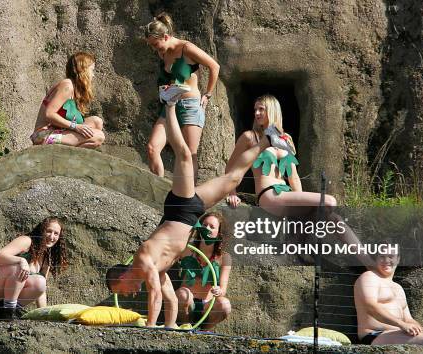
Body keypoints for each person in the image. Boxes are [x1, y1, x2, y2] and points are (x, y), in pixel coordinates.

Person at [107, 86, 273, 328]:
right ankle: (267, 140)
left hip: (178, 209)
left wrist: (150, 329)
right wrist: (169, 327)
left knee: (185, 155)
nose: (128, 295)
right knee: (233, 180)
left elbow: (154, 296)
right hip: (191, 212)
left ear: (121, 277)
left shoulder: (143, 259)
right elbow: (170, 300)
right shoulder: (158, 269)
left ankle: (170, 104)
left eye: (120, 291)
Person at [225, 94, 373, 267]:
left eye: (261, 109)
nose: (257, 113)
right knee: (329, 201)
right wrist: (232, 193)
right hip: (269, 195)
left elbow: (293, 177)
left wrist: (302, 206)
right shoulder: (250, 137)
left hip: (287, 194)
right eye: (255, 110)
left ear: (272, 111)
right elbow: (231, 167)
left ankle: (367, 263)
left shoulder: (285, 139)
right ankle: (297, 246)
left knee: (334, 218)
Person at [145, 13, 220, 181]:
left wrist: (207, 94)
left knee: (188, 155)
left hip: (190, 106)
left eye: (156, 45)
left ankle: (187, 198)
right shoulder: (162, 53)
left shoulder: (186, 48)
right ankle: (158, 190)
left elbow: (214, 66)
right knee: (152, 147)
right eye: (151, 46)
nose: (154, 49)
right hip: (169, 106)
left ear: (165, 37)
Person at [354, 249, 423, 347]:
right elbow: (371, 307)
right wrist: (401, 324)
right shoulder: (369, 277)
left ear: (398, 259)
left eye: (390, 257)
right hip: (375, 335)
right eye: (382, 257)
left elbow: (408, 319)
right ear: (376, 259)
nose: (386, 260)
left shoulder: (398, 288)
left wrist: (421, 329)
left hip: (399, 333)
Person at [0, 217, 68, 319]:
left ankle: (9, 310)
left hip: (5, 301)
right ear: (41, 231)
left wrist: (44, 314)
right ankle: (9, 311)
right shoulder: (27, 241)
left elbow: (41, 290)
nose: (52, 236)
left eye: (56, 233)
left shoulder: (46, 258)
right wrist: (21, 260)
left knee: (41, 282)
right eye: (49, 231)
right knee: (19, 267)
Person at [30, 52, 105, 148]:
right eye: (92, 70)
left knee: (96, 122)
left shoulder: (74, 88)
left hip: (57, 131)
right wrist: (75, 127)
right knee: (98, 136)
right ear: (83, 70)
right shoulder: (67, 85)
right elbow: (49, 114)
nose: (93, 75)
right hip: (43, 135)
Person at [175, 212, 232, 329]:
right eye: (204, 225)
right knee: (182, 294)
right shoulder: (187, 250)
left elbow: (223, 288)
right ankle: (185, 328)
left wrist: (219, 291)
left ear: (219, 234)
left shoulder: (224, 258)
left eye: (212, 227)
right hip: (186, 301)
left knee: (225, 304)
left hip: (207, 307)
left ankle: (204, 332)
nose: (207, 228)